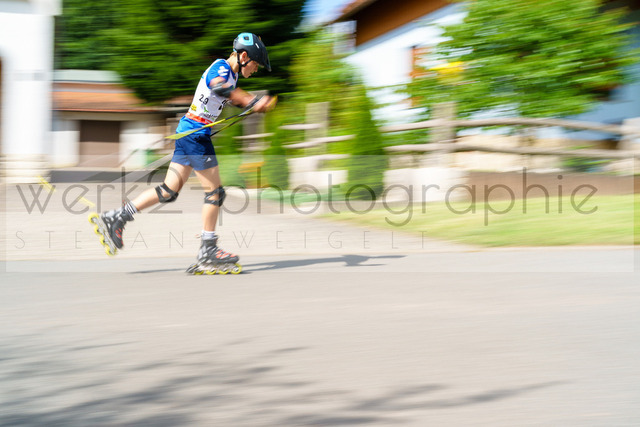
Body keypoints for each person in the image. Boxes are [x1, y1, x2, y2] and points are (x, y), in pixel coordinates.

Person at [95, 32, 276, 274]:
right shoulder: (222, 68)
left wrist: (250, 105)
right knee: (215, 193)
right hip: (195, 136)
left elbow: (227, 96)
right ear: (244, 57)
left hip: (189, 132)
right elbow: (218, 86)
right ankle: (208, 250)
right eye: (256, 64)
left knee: (168, 191)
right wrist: (253, 101)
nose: (256, 69)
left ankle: (117, 216)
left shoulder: (231, 75)